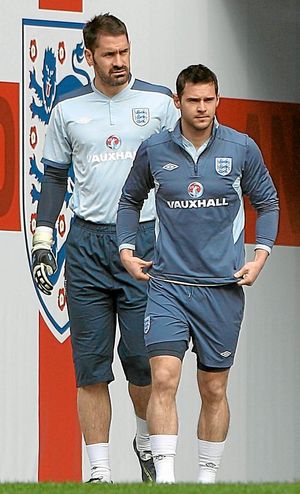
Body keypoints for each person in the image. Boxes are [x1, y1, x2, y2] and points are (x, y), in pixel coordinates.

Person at [31, 13, 178, 483]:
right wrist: (43, 240)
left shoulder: (159, 103)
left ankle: (143, 441)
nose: (119, 62)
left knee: (141, 362)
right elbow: (53, 177)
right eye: (109, 55)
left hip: (143, 242)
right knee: (91, 367)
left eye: (125, 52)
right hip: (88, 243)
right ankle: (99, 473)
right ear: (89, 57)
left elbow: (186, 165)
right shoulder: (67, 110)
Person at [116, 64, 279, 484]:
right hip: (168, 286)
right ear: (178, 102)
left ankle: (207, 480)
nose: (202, 107)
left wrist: (260, 256)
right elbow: (129, 200)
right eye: (193, 100)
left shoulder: (241, 148)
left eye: (209, 99)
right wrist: (126, 249)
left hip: (222, 290)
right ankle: (166, 480)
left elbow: (269, 202)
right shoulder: (155, 150)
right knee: (164, 378)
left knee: (213, 390)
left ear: (218, 101)